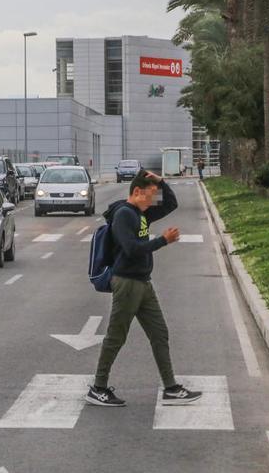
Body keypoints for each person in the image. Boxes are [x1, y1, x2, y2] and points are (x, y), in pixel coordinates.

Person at [86, 170, 202, 407]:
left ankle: (170, 388)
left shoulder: (141, 213)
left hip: (143, 283)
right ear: (137, 192)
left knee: (160, 333)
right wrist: (163, 241)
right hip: (126, 282)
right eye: (150, 195)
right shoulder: (124, 215)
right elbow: (131, 248)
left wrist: (160, 181)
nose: (153, 200)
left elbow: (171, 203)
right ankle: (98, 388)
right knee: (116, 336)